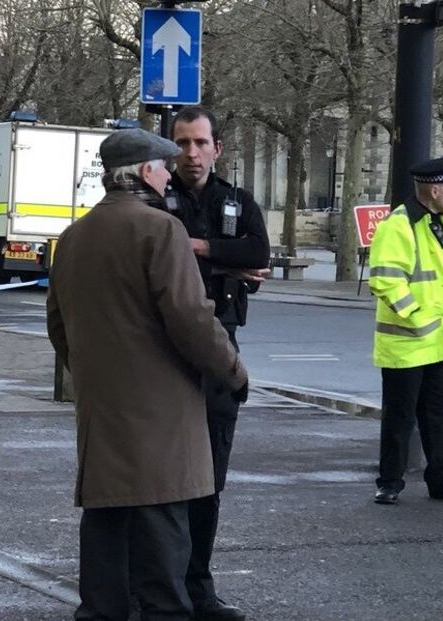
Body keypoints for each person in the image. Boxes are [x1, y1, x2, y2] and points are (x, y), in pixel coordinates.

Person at [47, 128, 249, 621]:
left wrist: (92, 375)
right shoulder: (160, 230)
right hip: (161, 407)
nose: (169, 174)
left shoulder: (74, 236)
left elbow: (58, 323)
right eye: (163, 166)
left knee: (107, 519)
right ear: (143, 172)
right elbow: (190, 316)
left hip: (101, 404)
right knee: (162, 521)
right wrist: (233, 371)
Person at [166, 106, 270, 621]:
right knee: (161, 477)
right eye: (182, 143)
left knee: (209, 473)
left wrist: (200, 246)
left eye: (200, 143)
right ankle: (158, 588)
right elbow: (156, 255)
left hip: (220, 345)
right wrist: (229, 260)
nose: (191, 154)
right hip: (164, 351)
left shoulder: (236, 200)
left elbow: (259, 250)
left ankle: (198, 588)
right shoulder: (155, 200)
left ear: (216, 147)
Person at [370, 156, 443, 506]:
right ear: (434, 190)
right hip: (407, 342)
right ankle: (389, 482)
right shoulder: (399, 226)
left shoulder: (439, 224)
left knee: (436, 414)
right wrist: (419, 319)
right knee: (400, 416)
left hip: (436, 341)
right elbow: (385, 279)